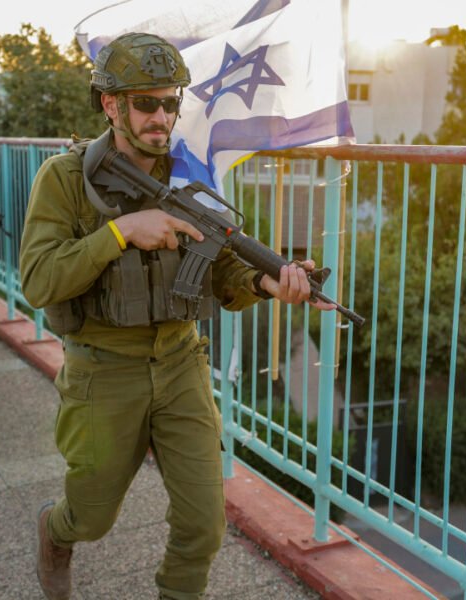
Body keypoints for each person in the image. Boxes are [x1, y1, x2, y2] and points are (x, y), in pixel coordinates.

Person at [19, 33, 334, 600]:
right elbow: (40, 280)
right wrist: (121, 232)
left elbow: (219, 267)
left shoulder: (188, 173)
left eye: (170, 102)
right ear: (110, 105)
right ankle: (54, 532)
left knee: (203, 525)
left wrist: (266, 282)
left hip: (181, 361)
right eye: (146, 103)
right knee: (90, 517)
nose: (161, 116)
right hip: (104, 368)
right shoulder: (66, 179)